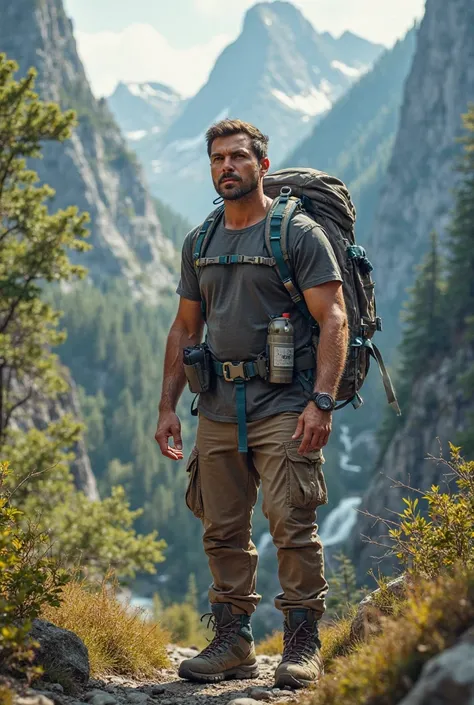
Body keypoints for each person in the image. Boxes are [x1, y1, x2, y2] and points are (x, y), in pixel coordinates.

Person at [155, 119, 348, 690]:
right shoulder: (201, 241)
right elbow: (185, 327)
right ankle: (233, 641)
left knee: (291, 523)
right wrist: (168, 406)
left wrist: (321, 401)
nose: (226, 168)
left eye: (237, 158)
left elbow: (333, 318)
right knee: (221, 528)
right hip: (216, 405)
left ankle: (301, 643)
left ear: (262, 166)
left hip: (286, 404)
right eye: (217, 159)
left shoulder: (298, 235)